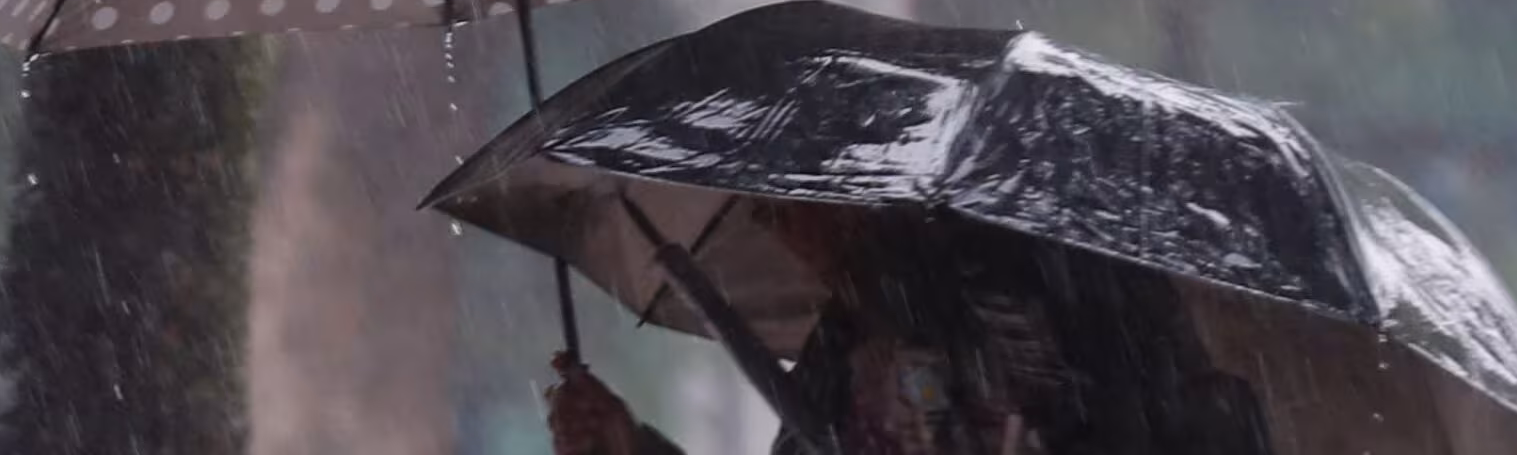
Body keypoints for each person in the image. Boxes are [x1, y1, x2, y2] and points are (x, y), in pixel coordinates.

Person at [545, 201, 1272, 455]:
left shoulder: (1043, 293)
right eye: (769, 213)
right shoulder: (846, 340)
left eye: (785, 206)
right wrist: (630, 445)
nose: (781, 233)